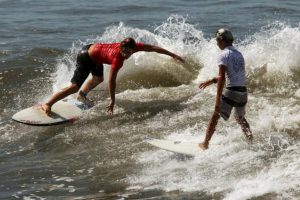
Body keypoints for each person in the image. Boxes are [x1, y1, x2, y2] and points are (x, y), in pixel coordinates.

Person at [41, 37, 184, 115]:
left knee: (98, 78)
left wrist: (172, 55)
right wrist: (112, 101)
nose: (127, 55)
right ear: (121, 48)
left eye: (129, 52)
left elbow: (153, 48)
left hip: (95, 54)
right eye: (125, 52)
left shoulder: (135, 47)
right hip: (86, 57)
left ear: (134, 49)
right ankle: (48, 104)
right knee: (74, 87)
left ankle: (82, 95)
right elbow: (112, 81)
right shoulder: (117, 59)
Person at [198, 28, 253, 150]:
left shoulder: (223, 54)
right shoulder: (239, 54)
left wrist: (218, 99)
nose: (216, 43)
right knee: (240, 118)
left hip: (232, 91)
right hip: (243, 92)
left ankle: (205, 144)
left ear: (221, 40)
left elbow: (222, 77)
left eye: (217, 40)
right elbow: (234, 75)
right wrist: (212, 81)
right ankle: (251, 141)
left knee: (215, 115)